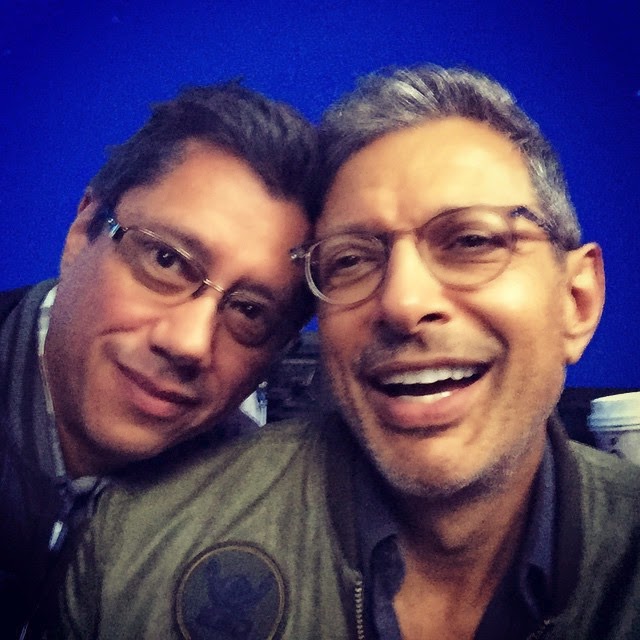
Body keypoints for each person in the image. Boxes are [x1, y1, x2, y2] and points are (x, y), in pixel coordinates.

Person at [55, 66, 640, 639]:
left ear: (577, 301)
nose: (403, 302)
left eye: (471, 241)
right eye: (352, 259)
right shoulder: (130, 547)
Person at [0, 81, 319, 636]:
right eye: (167, 260)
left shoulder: (282, 488)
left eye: (250, 311)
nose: (190, 342)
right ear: (83, 230)